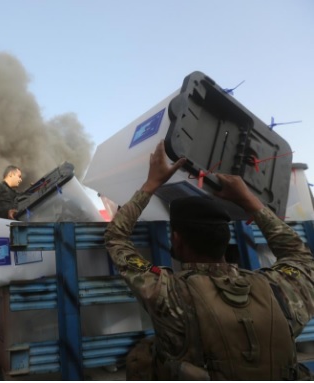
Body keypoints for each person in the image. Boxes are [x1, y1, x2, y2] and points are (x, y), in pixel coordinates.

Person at [104, 141, 314, 380]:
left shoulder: (167, 293)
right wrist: (249, 200)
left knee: (142, 357)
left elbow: (115, 238)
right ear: (226, 239)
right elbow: (298, 254)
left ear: (176, 239)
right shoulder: (281, 291)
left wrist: (152, 184)